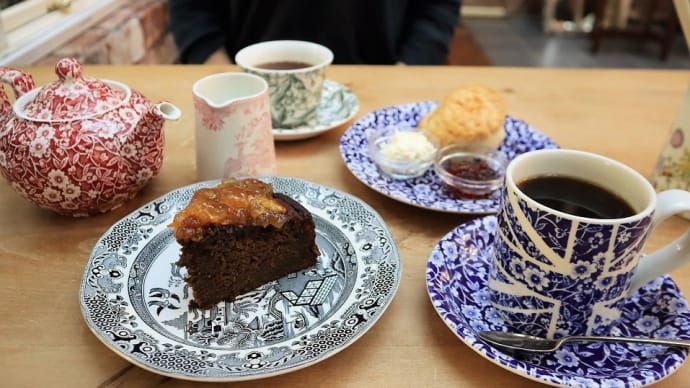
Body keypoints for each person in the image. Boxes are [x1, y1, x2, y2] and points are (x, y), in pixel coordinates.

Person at [168, 0, 462, 65]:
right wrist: (219, 72)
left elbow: (437, 7)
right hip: (243, 90)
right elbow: (191, 7)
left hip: (382, 92)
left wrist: (411, 64)